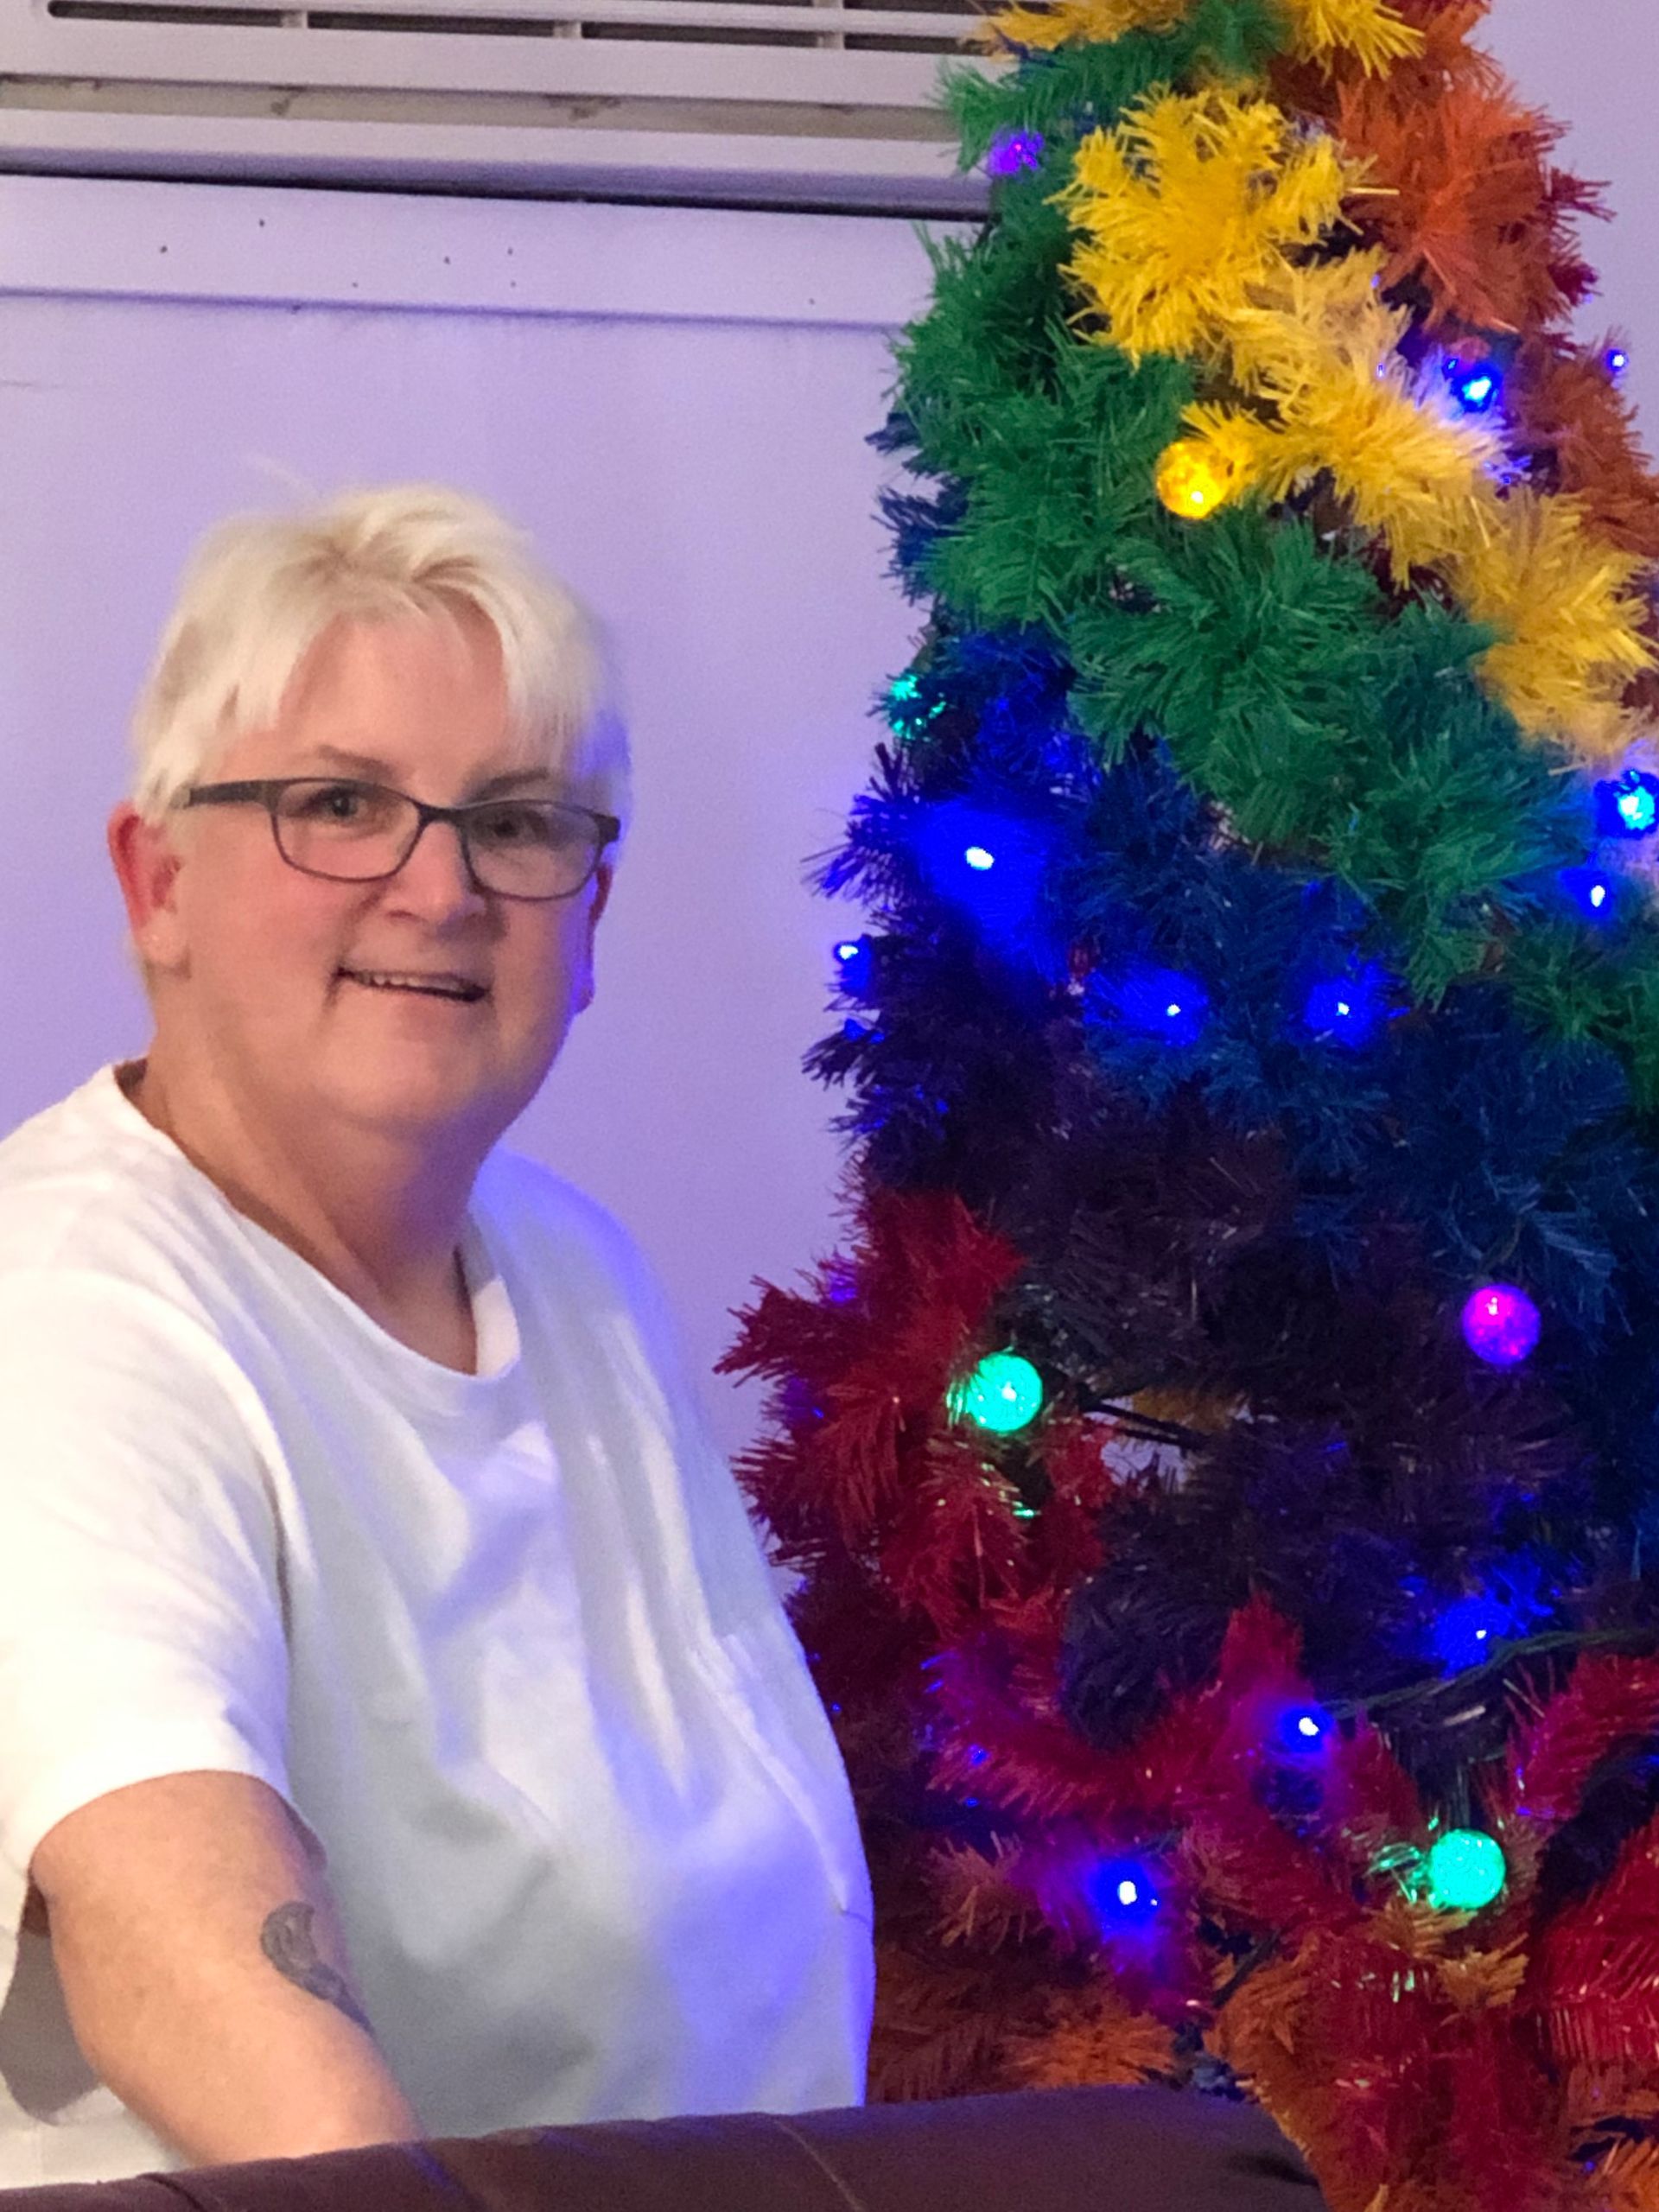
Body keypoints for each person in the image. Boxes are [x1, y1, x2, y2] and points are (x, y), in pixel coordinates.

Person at [0, 483, 874, 2189]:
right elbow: (172, 1926)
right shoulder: (62, 1312)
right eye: (339, 804)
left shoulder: (568, 1266)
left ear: (592, 917)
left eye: (519, 821)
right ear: (157, 881)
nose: (440, 886)